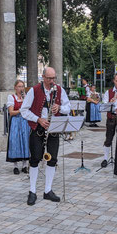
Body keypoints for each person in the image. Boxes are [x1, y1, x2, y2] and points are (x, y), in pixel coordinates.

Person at [21, 67, 71, 205]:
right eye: (49, 78)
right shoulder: (34, 90)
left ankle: (48, 190)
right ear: (43, 77)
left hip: (54, 129)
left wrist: (59, 108)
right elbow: (23, 110)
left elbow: (68, 107)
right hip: (38, 129)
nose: (51, 81)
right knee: (35, 159)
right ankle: (32, 191)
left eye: (53, 78)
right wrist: (38, 119)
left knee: (52, 160)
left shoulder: (59, 90)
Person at [101, 73, 117, 168]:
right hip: (111, 117)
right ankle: (105, 158)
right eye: (116, 81)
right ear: (113, 81)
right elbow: (105, 104)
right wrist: (111, 102)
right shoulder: (109, 92)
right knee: (108, 138)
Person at [6, 80, 30, 174]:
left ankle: (25, 165)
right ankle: (15, 166)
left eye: (22, 86)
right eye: (19, 86)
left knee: (25, 141)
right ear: (15, 88)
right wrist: (21, 109)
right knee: (15, 142)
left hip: (25, 121)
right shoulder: (11, 97)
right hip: (16, 121)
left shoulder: (26, 97)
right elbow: (11, 112)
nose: (21, 88)